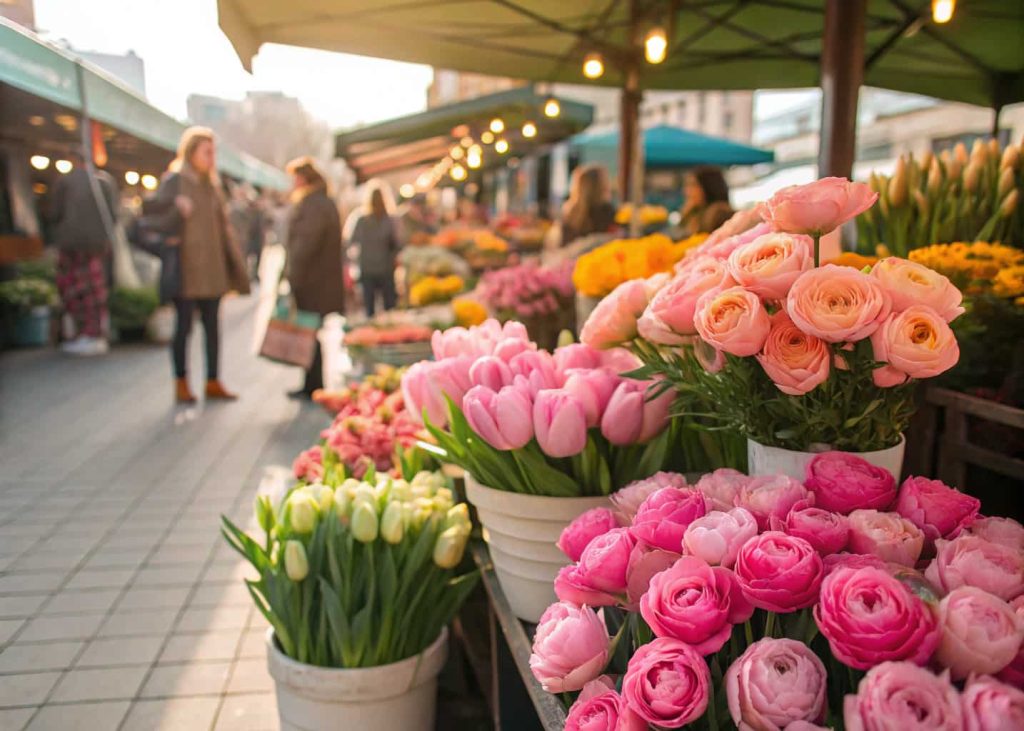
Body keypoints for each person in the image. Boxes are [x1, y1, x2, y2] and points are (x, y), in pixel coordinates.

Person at [146, 127, 249, 404]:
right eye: (207, 151)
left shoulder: (213, 186)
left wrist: (236, 268)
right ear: (192, 152)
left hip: (213, 271)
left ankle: (213, 380)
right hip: (186, 270)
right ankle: (181, 381)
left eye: (213, 152)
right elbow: (148, 216)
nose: (212, 157)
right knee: (183, 329)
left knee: (213, 329)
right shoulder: (175, 182)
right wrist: (173, 207)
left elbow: (224, 230)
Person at [284, 156, 344, 398]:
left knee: (310, 332)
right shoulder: (322, 202)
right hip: (320, 280)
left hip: (312, 281)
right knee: (312, 332)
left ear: (303, 178)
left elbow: (305, 245)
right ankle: (312, 383)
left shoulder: (313, 205)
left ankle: (314, 385)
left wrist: (292, 276)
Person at [49, 151, 118, 356]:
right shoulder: (105, 182)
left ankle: (84, 334)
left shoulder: (65, 182)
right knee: (95, 290)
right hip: (98, 244)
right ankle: (96, 333)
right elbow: (113, 215)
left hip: (72, 244)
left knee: (76, 290)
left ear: (73, 160)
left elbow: (54, 213)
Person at [345, 182, 400, 317]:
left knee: (369, 308)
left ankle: (373, 331)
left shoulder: (360, 219)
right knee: (389, 307)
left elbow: (350, 242)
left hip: (367, 267)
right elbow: (398, 243)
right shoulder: (390, 219)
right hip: (385, 267)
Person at [559, 164, 616, 245]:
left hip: (571, 256)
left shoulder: (568, 212)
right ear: (600, 186)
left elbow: (564, 244)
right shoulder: (606, 211)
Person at [681, 165, 734, 235]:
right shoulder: (695, 213)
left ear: (709, 186)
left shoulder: (720, 214)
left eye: (693, 185)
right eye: (687, 186)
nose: (687, 191)